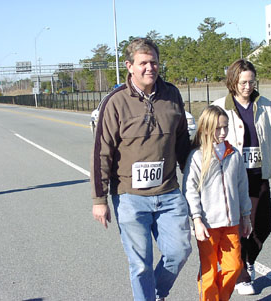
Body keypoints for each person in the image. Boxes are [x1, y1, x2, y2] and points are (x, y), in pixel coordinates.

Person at [91, 38, 192, 301]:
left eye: (154, 62)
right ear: (129, 66)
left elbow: (182, 142)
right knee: (140, 265)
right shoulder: (115, 102)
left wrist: (195, 181)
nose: (150, 67)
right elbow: (101, 152)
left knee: (179, 252)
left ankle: (155, 291)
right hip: (130, 197)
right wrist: (99, 200)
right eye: (143, 63)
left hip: (169, 193)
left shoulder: (172, 95)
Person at [212, 59, 271, 295]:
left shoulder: (268, 107)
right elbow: (206, 139)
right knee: (238, 227)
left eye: (251, 82)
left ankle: (247, 259)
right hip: (231, 178)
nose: (247, 87)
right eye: (242, 82)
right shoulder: (220, 106)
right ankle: (241, 276)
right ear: (233, 82)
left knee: (263, 226)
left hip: (259, 176)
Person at [182, 105, 252, 301]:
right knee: (209, 271)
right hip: (208, 225)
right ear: (206, 129)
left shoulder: (234, 155)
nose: (222, 133)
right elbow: (189, 190)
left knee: (234, 267)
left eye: (225, 127)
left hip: (231, 223)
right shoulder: (197, 157)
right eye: (218, 128)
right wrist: (196, 219)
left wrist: (246, 216)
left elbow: (242, 187)